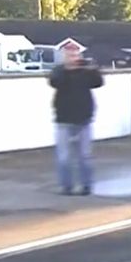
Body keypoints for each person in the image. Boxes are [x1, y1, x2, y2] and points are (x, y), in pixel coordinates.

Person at [49, 49, 104, 196]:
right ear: (65, 58)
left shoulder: (85, 72)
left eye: (76, 56)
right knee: (64, 157)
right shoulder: (59, 71)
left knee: (85, 156)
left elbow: (98, 83)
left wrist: (94, 70)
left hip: (84, 119)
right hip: (63, 119)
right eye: (70, 56)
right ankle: (66, 186)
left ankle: (86, 186)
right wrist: (67, 70)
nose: (73, 59)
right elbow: (54, 82)